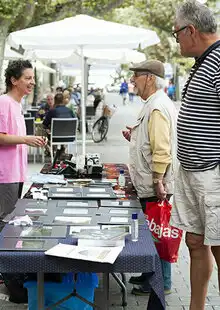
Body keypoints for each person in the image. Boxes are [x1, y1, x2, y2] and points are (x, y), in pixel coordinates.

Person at [171, 1, 220, 309]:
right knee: (195, 242)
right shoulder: (204, 61)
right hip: (192, 173)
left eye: (177, 33)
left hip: (212, 174)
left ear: (190, 30)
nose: (176, 40)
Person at [122, 60, 177, 295]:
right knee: (152, 230)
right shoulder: (153, 103)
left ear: (150, 78)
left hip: (155, 182)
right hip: (151, 179)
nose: (133, 80)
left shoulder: (156, 106)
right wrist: (134, 137)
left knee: (158, 231)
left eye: (137, 75)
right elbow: (150, 139)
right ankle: (149, 274)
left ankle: (161, 281)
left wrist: (157, 180)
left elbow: (162, 148)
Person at [0, 59, 46, 228]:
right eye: (27, 78)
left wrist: (30, 139)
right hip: (5, 175)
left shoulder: (17, 104)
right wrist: (27, 139)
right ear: (13, 80)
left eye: (33, 78)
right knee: (4, 222)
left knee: (11, 219)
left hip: (17, 173)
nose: (32, 82)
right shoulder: (4, 102)